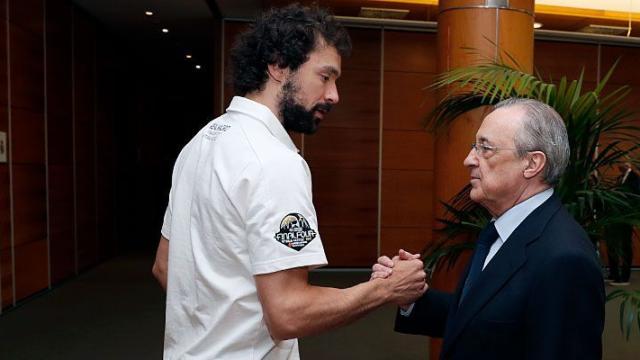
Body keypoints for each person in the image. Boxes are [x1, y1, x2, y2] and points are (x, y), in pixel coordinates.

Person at [152, 4, 427, 359]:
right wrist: (386, 289)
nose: (333, 95)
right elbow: (289, 312)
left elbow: (166, 268)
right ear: (279, 66)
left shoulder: (200, 143)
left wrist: (219, 320)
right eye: (325, 76)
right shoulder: (274, 162)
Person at [372, 98, 605, 359]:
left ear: (532, 164)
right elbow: (483, 318)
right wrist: (412, 299)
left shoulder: (565, 259)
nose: (468, 159)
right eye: (475, 146)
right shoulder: (503, 227)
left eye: (486, 148)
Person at [605, 162, 639, 286]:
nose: (620, 166)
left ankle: (624, 277)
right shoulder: (620, 178)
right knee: (613, 244)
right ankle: (614, 274)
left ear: (629, 165)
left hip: (626, 218)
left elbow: (635, 197)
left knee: (625, 245)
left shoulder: (634, 178)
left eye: (623, 163)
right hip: (615, 218)